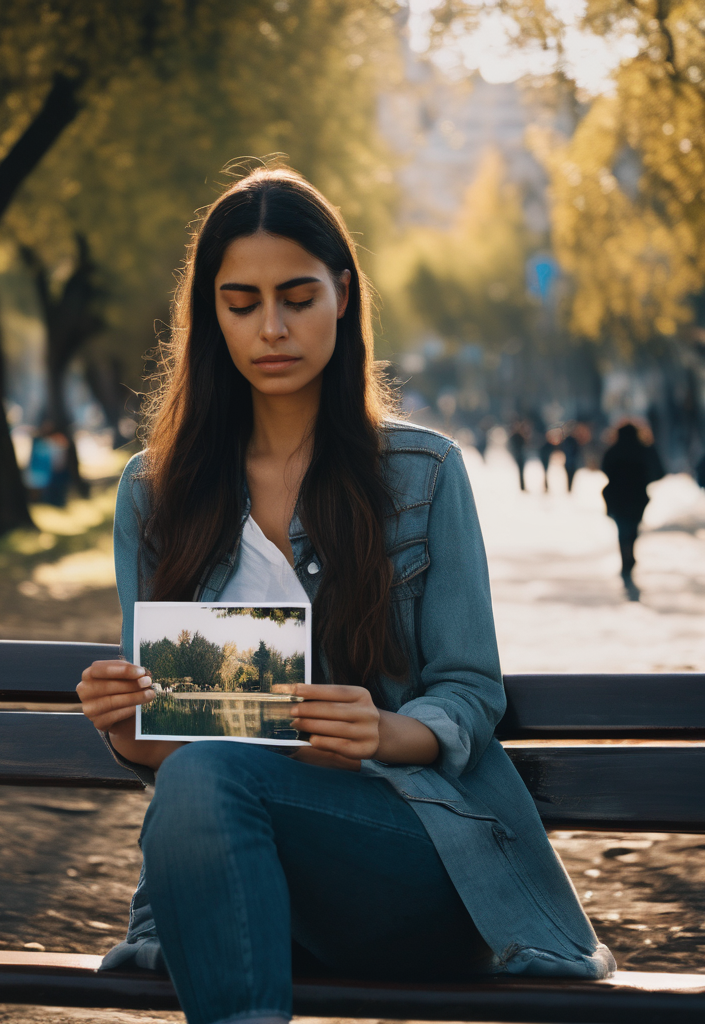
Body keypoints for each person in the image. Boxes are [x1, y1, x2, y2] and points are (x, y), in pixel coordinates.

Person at [76, 168, 613, 1024]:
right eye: (241, 302)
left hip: (418, 860)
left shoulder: (424, 472)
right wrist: (129, 729)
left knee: (209, 782)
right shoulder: (156, 492)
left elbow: (471, 689)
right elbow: (179, 746)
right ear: (210, 315)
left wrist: (388, 730)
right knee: (203, 778)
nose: (272, 327)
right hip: (245, 873)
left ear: (343, 296)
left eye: (297, 296)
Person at [601, 421, 664, 592]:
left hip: (617, 496)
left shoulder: (613, 450)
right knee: (632, 528)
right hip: (637, 496)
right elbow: (659, 471)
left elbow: (604, 468)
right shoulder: (644, 450)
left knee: (622, 529)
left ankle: (626, 558)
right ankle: (629, 557)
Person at [507, 419, 528, 490]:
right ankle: (522, 486)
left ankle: (522, 486)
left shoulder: (519, 435)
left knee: (521, 471)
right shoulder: (516, 436)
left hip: (521, 455)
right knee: (521, 471)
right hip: (519, 456)